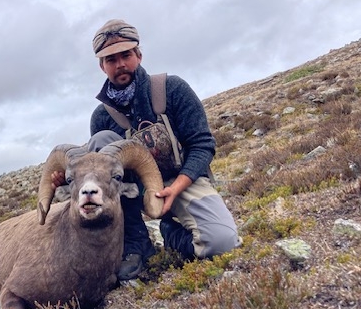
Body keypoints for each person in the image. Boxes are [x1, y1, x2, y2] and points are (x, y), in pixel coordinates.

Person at [55, 19, 241, 280]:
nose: (120, 64)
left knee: (222, 243)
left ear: (139, 55)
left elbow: (202, 144)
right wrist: (62, 177)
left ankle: (170, 233)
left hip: (183, 180)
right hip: (133, 191)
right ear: (101, 66)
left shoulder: (172, 89)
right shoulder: (102, 117)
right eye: (110, 59)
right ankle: (136, 243)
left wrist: (177, 187)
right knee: (100, 142)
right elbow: (100, 173)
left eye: (126, 55)